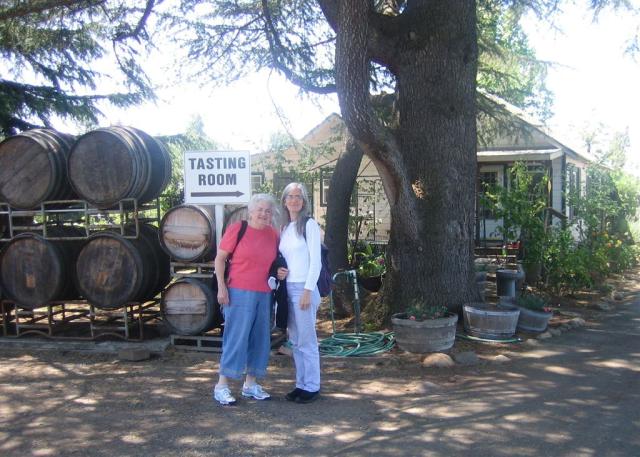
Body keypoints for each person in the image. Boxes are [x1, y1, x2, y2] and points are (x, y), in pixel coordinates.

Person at [212, 194, 283, 406]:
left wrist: (279, 271)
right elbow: (220, 259)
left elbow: (275, 263)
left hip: (264, 293)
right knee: (236, 338)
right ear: (251, 211)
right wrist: (221, 288)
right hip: (238, 291)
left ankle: (250, 384)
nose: (264, 214)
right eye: (260, 209)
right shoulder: (238, 229)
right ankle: (221, 386)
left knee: (260, 340)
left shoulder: (273, 234)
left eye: (268, 211)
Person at [278, 182, 322, 404]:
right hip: (288, 288)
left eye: (299, 196)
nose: (294, 200)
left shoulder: (309, 225)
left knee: (307, 340)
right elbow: (285, 258)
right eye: (290, 196)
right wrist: (280, 270)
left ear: (303, 201)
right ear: (285, 201)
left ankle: (312, 386)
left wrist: (307, 290)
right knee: (295, 341)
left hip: (304, 288)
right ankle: (301, 383)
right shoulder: (285, 228)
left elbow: (316, 262)